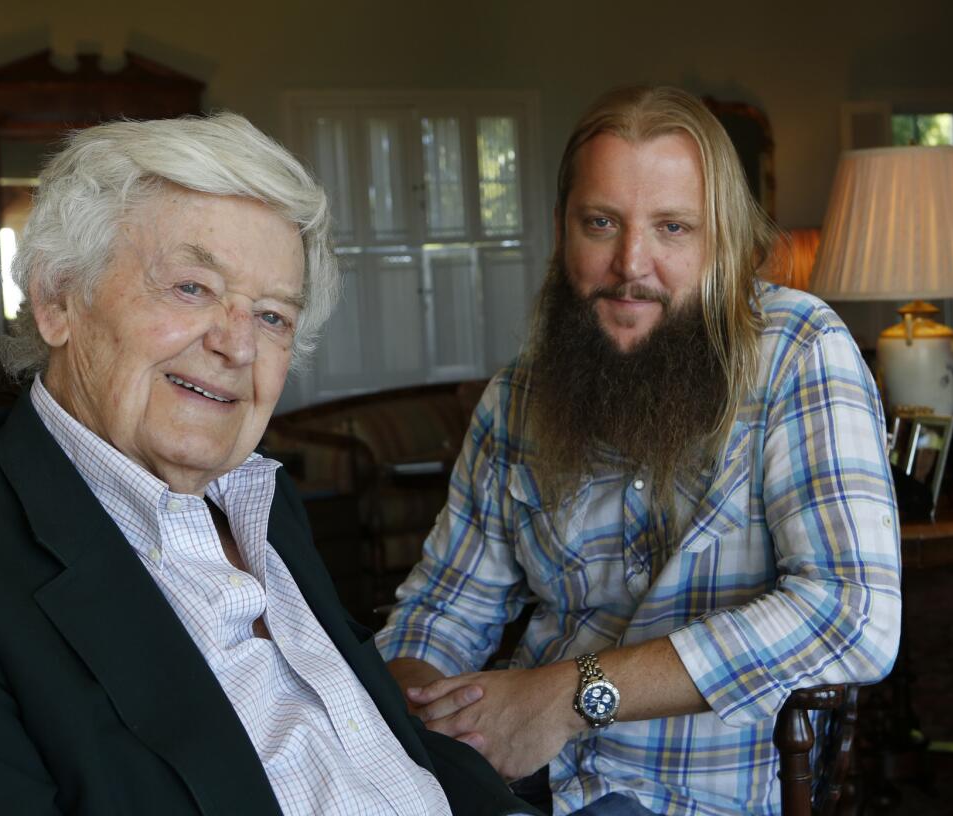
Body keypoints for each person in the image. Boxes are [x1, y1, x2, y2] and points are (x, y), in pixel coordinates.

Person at [0, 113, 534, 815]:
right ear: (57, 298)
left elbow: (377, 746)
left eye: (273, 316)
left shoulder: (260, 498)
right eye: (192, 287)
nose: (238, 345)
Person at [376, 86, 902, 816]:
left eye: (673, 227)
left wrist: (568, 695)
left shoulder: (798, 351)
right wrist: (426, 715)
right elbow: (441, 608)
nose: (631, 262)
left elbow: (851, 615)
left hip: (688, 796)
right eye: (601, 223)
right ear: (564, 231)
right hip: (511, 778)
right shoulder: (518, 396)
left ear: (722, 239)